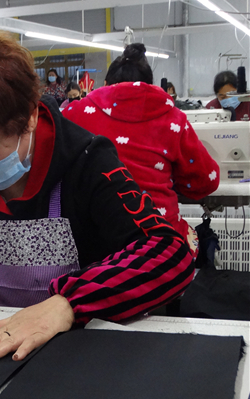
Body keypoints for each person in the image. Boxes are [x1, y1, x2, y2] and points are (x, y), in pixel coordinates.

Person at [0, 29, 195, 363]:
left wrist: (69, 303)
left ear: (29, 118)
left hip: (79, 346)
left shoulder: (87, 163)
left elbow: (170, 255)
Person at [62, 43, 219, 255]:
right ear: (149, 87)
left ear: (105, 84)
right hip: (159, 245)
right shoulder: (173, 118)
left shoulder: (73, 113)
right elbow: (206, 180)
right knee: (192, 240)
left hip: (93, 246)